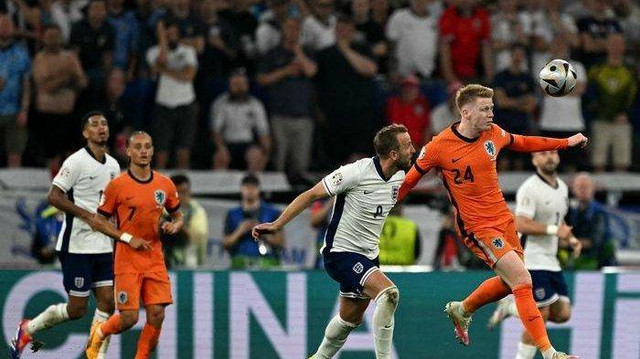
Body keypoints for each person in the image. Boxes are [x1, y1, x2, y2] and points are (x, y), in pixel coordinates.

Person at [398, 84, 588, 359]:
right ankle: (550, 354)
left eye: (492, 108)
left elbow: (524, 142)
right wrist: (379, 205)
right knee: (523, 280)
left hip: (504, 220)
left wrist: (565, 142)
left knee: (511, 282)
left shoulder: (493, 134)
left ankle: (462, 309)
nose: (491, 114)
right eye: (485, 109)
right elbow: (408, 182)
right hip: (477, 227)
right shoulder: (438, 147)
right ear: (466, 112)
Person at [253, 124, 416, 359]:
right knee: (389, 294)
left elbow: (431, 161)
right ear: (393, 154)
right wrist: (277, 224)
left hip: (369, 255)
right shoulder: (356, 172)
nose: (413, 149)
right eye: (408, 145)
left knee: (350, 319)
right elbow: (311, 195)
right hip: (341, 253)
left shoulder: (400, 175)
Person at [10, 112, 122, 358]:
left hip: (103, 245)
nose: (101, 128)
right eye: (94, 125)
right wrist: (86, 215)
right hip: (77, 245)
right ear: (85, 133)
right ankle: (27, 329)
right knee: (77, 309)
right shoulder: (75, 161)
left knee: (107, 303)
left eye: (104, 124)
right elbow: (54, 196)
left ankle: (96, 354)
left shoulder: (114, 165)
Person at [85, 131, 184, 359]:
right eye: (138, 147)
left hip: (154, 258)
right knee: (130, 318)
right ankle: (99, 332)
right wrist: (128, 238)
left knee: (157, 314)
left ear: (152, 151)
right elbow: (98, 221)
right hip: (127, 258)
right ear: (128, 152)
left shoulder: (164, 184)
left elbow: (178, 215)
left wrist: (175, 225)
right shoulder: (117, 186)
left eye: (148, 147)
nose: (143, 151)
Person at [487, 150, 582, 359]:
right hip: (531, 258)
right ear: (534, 160)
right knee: (540, 314)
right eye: (543, 154)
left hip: (551, 260)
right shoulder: (530, 188)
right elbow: (520, 222)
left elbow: (559, 221)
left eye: (553, 153)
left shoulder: (563, 188)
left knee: (563, 313)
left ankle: (511, 308)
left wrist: (570, 239)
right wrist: (553, 231)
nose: (549, 157)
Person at [257, 17, 317, 179]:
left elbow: (312, 71)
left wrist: (299, 53)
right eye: (289, 28)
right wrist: (286, 71)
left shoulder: (307, 51)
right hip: (279, 114)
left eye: (296, 28)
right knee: (279, 160)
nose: (293, 32)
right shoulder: (273, 53)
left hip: (303, 116)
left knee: (301, 164)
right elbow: (262, 79)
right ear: (283, 30)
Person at [32, 25, 88, 172]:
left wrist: (59, 77)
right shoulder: (40, 58)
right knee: (52, 157)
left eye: (56, 36)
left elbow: (82, 82)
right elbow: (46, 87)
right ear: (44, 38)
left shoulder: (70, 57)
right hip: (48, 115)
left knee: (73, 155)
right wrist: (67, 75)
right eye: (50, 36)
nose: (54, 40)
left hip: (69, 113)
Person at [146, 19, 198, 169]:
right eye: (167, 34)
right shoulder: (153, 52)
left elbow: (188, 75)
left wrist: (163, 71)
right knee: (161, 152)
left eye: (173, 33)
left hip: (186, 103)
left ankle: (183, 188)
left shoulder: (188, 51)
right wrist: (162, 37)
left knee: (183, 151)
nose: (171, 36)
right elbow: (162, 60)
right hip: (163, 104)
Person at [588, 34, 637, 172]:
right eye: (612, 43)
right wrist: (599, 112)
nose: (615, 46)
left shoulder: (630, 70)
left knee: (622, 162)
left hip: (623, 122)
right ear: (607, 46)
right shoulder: (596, 68)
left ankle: (617, 194)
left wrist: (627, 114)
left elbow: (635, 96)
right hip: (600, 121)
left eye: (619, 43)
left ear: (623, 47)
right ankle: (596, 194)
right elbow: (590, 95)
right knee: (598, 162)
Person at [211, 69, 271, 171]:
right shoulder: (220, 103)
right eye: (235, 84)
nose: (239, 88)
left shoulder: (255, 104)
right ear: (229, 85)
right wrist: (221, 148)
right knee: (220, 157)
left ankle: (251, 185)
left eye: (241, 84)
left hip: (247, 144)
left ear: (247, 85)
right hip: (227, 143)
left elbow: (263, 131)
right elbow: (216, 131)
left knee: (257, 155)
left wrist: (266, 152)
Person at [223, 173, 284, 269]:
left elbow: (280, 242)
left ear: (258, 189)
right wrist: (240, 231)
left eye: (253, 187)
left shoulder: (272, 212)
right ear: (241, 189)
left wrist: (262, 232)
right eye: (247, 187)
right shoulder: (232, 214)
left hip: (267, 261)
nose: (250, 191)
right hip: (240, 262)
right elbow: (225, 243)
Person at [567, 172, 617, 269]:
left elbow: (595, 242)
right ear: (573, 189)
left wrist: (568, 242)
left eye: (586, 187)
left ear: (593, 189)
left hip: (601, 263)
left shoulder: (599, 212)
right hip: (580, 259)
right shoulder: (572, 211)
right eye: (580, 187)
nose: (583, 190)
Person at [0, 15, 31, 167]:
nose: (5, 28)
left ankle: (13, 190)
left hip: (14, 111)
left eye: (8, 25)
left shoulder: (21, 53)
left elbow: (26, 84)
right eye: (1, 25)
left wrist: (24, 109)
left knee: (15, 152)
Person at [163, 174, 208, 268]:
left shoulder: (197, 211)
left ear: (189, 192)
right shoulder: (160, 210)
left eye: (184, 192)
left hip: (189, 263)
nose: (180, 196)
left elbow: (196, 237)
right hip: (163, 264)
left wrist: (177, 225)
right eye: (176, 192)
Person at [385, 75, 431, 148]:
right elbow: (395, 129)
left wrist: (423, 148)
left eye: (412, 88)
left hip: (420, 147)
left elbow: (426, 128)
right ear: (402, 89)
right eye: (406, 87)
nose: (409, 90)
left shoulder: (422, 103)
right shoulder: (394, 103)